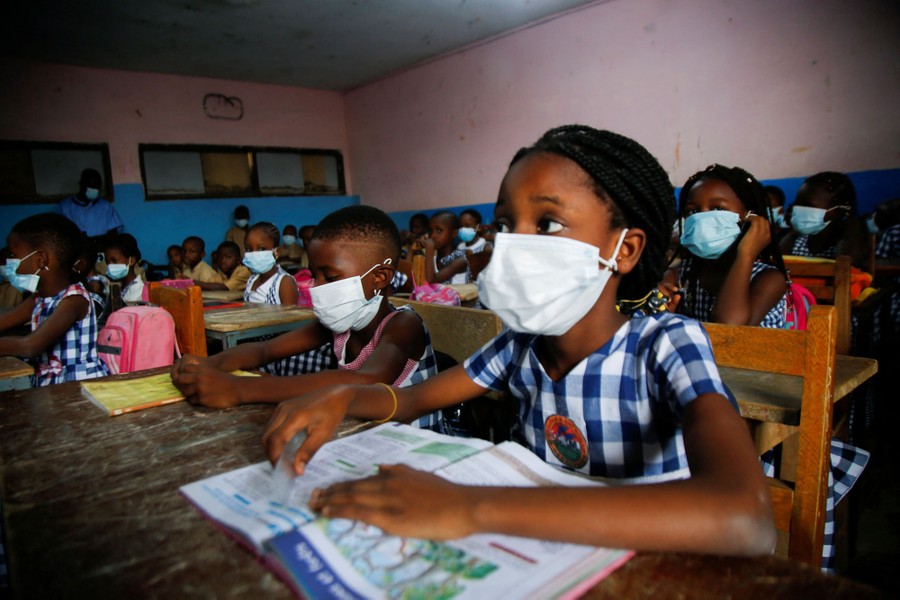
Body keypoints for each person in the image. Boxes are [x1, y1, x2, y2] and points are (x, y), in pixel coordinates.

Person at [260, 125, 775, 557]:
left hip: (645, 560)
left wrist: (468, 508)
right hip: (540, 552)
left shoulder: (668, 345)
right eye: (507, 224)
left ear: (625, 249)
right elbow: (414, 398)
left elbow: (743, 514)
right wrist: (344, 395)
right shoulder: (521, 345)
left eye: (547, 222)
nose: (515, 243)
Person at [170, 206, 443, 431]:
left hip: (418, 451)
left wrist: (239, 389)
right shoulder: (340, 323)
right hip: (364, 437)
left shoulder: (404, 325)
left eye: (331, 277)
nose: (316, 287)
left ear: (379, 278)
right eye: (315, 275)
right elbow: (265, 350)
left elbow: (365, 380)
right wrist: (207, 365)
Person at [661, 165, 788, 327]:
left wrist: (746, 254)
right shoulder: (682, 274)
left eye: (718, 208)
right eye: (693, 212)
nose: (702, 219)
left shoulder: (769, 279)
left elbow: (729, 326)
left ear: (751, 217)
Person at [0, 213, 109, 386]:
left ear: (40, 259)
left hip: (80, 388)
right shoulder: (39, 299)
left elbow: (30, 346)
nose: (7, 263)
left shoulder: (74, 300)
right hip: (51, 386)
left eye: (13, 255)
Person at [779, 172, 869, 269]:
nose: (799, 210)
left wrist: (851, 223)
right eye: (798, 204)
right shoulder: (797, 241)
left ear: (841, 208)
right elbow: (778, 265)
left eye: (809, 206)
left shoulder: (848, 240)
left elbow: (849, 269)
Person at [241, 222, 299, 305]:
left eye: (261, 249)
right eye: (249, 249)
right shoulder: (252, 280)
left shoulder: (284, 282)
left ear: (277, 252)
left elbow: (292, 316)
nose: (254, 254)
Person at [58, 168, 124, 240]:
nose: (94, 191)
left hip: (99, 248)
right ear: (82, 184)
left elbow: (113, 232)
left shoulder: (105, 206)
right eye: (91, 187)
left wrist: (97, 241)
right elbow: (62, 233)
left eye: (97, 188)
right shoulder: (66, 206)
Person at [423, 210, 470, 284]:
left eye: (439, 230)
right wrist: (411, 250)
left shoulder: (461, 260)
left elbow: (431, 281)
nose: (432, 236)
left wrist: (429, 249)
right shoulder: (433, 258)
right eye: (430, 231)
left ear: (454, 233)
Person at [103, 234, 146, 303]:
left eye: (114, 261)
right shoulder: (113, 288)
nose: (110, 266)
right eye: (107, 261)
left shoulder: (140, 292)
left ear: (131, 260)